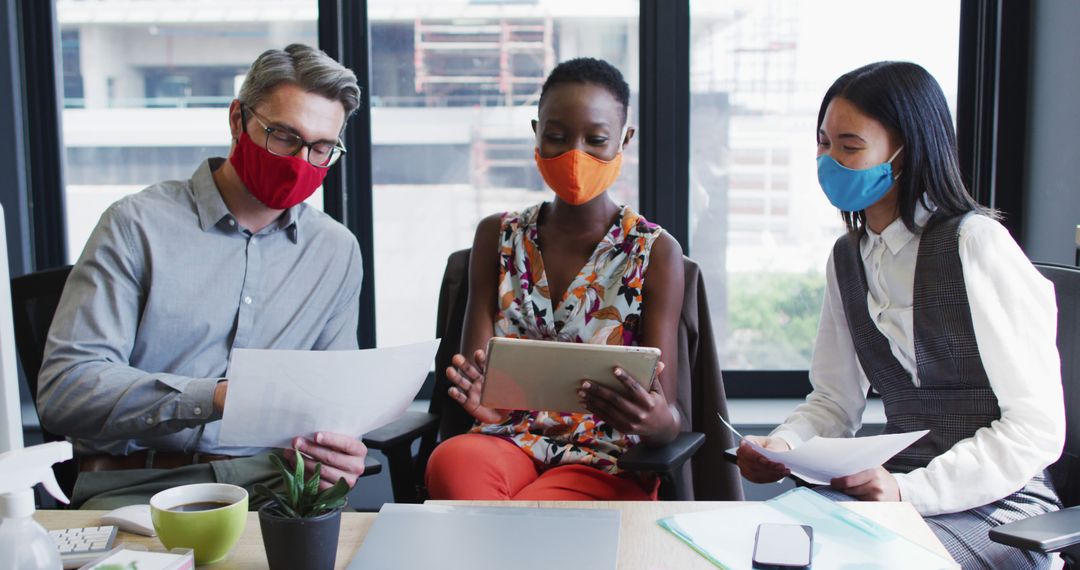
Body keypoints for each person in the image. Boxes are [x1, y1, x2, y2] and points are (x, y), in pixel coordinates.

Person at [735, 61, 1065, 569]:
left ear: (905, 153)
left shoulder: (976, 244)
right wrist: (783, 446)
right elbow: (834, 402)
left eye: (849, 147)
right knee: (764, 549)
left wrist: (909, 492)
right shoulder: (847, 258)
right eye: (823, 143)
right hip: (895, 494)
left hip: (1003, 510)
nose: (829, 161)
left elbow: (1036, 428)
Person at [37, 44, 369, 509]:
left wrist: (338, 449)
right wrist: (213, 398)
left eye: (320, 148)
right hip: (140, 486)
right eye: (283, 137)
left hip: (275, 485)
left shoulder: (336, 250)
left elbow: (331, 404)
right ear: (238, 120)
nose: (300, 161)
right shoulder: (136, 225)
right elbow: (67, 390)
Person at [424, 58, 685, 501]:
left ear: (626, 139)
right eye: (557, 137)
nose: (574, 155)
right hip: (504, 440)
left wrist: (655, 419)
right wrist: (483, 400)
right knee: (451, 461)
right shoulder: (497, 235)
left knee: (535, 513)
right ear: (537, 133)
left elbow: (668, 415)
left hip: (606, 459)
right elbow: (479, 372)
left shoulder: (655, 251)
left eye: (597, 140)